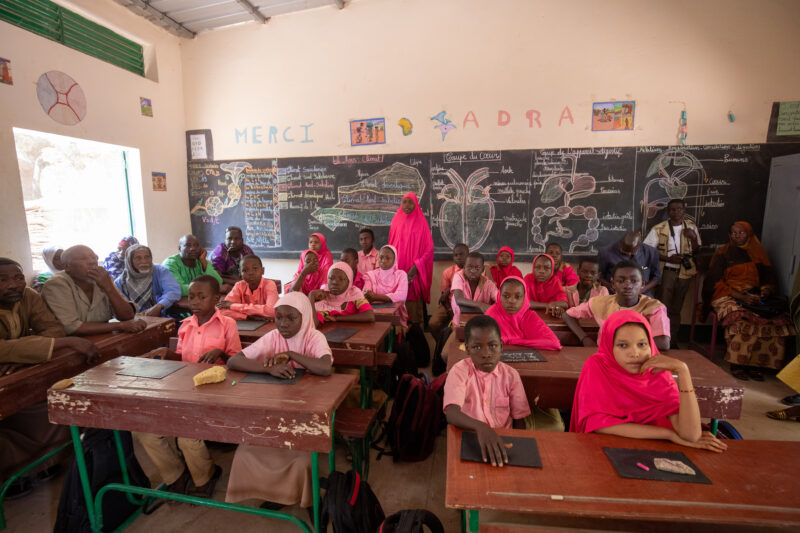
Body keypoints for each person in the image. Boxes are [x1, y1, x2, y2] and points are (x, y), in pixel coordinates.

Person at [225, 292, 332, 510]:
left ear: (304, 317)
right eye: (279, 317)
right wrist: (270, 368)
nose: (283, 324)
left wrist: (291, 354)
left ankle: (310, 502)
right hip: (276, 410)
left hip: (307, 412)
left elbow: (325, 367)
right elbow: (234, 361)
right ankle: (276, 495)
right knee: (246, 452)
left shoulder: (314, 337)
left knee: (301, 460)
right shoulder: (273, 336)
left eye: (291, 318)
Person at [0, 258, 98, 496]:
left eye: (18, 277)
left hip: (15, 369)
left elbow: (53, 329)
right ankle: (9, 476)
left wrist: (20, 353)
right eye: (3, 280)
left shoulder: (29, 296)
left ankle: (43, 463)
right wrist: (59, 343)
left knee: (49, 401)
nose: (14, 284)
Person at [138, 276, 240, 498]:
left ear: (216, 299)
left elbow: (237, 363)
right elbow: (183, 358)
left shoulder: (227, 325)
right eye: (192, 296)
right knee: (145, 432)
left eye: (202, 297)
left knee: (186, 436)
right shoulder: (185, 326)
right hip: (183, 390)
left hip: (214, 392)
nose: (195, 301)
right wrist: (169, 354)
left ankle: (206, 475)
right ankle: (175, 475)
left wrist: (221, 353)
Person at [570, 310, 727, 453]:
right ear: (609, 345)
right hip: (609, 449)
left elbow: (691, 435)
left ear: (651, 344)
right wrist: (669, 434)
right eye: (623, 345)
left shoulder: (658, 372)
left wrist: (683, 372)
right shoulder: (598, 366)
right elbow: (597, 424)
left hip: (658, 452)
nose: (635, 353)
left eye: (642, 344)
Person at [703, 221, 795, 381]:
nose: (736, 236)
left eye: (741, 233)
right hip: (728, 294)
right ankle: (738, 364)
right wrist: (740, 296)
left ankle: (757, 364)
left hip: (754, 295)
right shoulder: (723, 253)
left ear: (749, 235)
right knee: (740, 318)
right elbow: (714, 282)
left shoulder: (759, 254)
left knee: (775, 321)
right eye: (733, 233)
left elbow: (769, 279)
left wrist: (765, 291)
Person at [443, 315, 531, 467]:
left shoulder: (511, 376)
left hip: (503, 440)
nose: (486, 354)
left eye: (492, 345)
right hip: (469, 438)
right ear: (467, 349)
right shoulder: (459, 372)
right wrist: (481, 427)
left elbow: (519, 419)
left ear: (501, 346)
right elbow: (451, 412)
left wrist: (519, 447)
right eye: (477, 347)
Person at [563, 260, 671, 351]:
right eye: (621, 281)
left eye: (634, 281)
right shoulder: (600, 302)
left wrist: (622, 352)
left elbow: (663, 342)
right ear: (613, 284)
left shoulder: (654, 307)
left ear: (642, 284)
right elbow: (568, 315)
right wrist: (585, 338)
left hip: (637, 360)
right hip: (604, 359)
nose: (628, 285)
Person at [41, 245, 145, 336]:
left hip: (103, 339)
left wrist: (108, 287)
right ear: (67, 266)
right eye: (83, 258)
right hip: (72, 345)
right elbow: (72, 327)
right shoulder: (56, 284)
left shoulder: (102, 279)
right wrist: (120, 326)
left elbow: (127, 316)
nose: (92, 262)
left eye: (93, 257)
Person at [644, 199, 701, 346]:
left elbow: (697, 250)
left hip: (685, 272)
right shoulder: (659, 228)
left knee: (676, 308)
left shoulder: (691, 227)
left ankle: (673, 339)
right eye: (673, 210)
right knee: (662, 306)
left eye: (679, 209)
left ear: (684, 210)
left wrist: (693, 238)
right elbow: (647, 251)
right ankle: (658, 339)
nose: (676, 212)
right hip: (667, 271)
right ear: (668, 212)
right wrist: (667, 258)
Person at [389, 193, 434, 327]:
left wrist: (416, 266)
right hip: (398, 273)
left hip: (414, 274)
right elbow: (391, 246)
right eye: (405, 202)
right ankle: (400, 343)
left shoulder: (421, 222)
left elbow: (429, 250)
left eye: (410, 202)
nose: (407, 205)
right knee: (396, 314)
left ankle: (416, 345)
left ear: (416, 204)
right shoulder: (396, 220)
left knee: (414, 316)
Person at [485, 276, 562, 350]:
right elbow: (484, 341)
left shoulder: (529, 315)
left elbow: (554, 343)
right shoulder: (492, 313)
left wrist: (510, 341)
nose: (512, 301)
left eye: (517, 297)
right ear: (499, 296)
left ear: (524, 298)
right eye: (506, 296)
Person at [114, 244, 181, 317]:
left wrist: (159, 306)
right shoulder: (120, 282)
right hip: (132, 320)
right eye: (138, 258)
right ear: (129, 261)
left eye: (147, 257)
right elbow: (120, 306)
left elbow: (173, 291)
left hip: (160, 317)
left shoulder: (160, 271)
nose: (144, 261)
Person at [598, 232, 661, 296]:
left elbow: (656, 277)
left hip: (642, 293)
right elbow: (598, 275)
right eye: (624, 252)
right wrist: (610, 286)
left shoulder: (651, 252)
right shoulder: (605, 252)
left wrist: (642, 289)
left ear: (639, 245)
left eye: (632, 253)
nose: (628, 254)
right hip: (614, 293)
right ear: (620, 243)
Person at [217, 255, 279, 320]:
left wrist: (233, 306)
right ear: (240, 273)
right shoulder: (239, 286)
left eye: (255, 268)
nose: (250, 273)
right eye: (245, 270)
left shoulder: (269, 284)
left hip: (268, 325)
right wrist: (247, 317)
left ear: (262, 270)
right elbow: (222, 310)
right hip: (246, 323)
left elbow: (271, 311)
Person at [309, 262, 375, 323]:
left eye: (341, 279)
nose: (335, 282)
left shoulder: (354, 293)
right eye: (331, 278)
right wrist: (311, 297)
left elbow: (369, 316)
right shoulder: (324, 296)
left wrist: (337, 318)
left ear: (349, 282)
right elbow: (313, 323)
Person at [363, 245, 409, 325]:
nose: (383, 261)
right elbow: (366, 293)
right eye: (381, 257)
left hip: (396, 315)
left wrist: (376, 297)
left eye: (388, 258)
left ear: (394, 260)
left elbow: (401, 296)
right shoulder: (371, 275)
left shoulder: (401, 275)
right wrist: (368, 294)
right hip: (375, 314)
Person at [450, 252, 498, 327]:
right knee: (457, 337)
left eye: (477, 268)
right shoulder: (459, 277)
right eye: (469, 267)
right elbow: (459, 299)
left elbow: (500, 300)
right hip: (460, 322)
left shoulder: (488, 284)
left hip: (482, 324)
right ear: (464, 267)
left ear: (482, 269)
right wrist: (480, 305)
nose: (472, 271)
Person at [210, 226, 254, 293]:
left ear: (242, 240)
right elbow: (215, 277)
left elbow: (253, 271)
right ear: (225, 240)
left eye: (237, 239)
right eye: (229, 238)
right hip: (222, 284)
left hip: (242, 282)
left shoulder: (247, 251)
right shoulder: (220, 252)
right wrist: (237, 282)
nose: (233, 242)